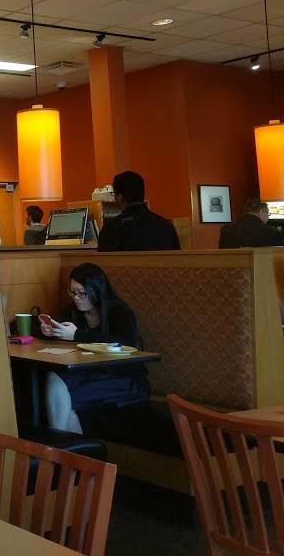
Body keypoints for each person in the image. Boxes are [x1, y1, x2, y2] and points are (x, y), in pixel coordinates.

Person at [40, 263, 150, 434]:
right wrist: (50, 332)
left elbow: (125, 344)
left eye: (82, 293)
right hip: (88, 372)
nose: (76, 298)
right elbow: (63, 329)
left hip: (122, 377)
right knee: (54, 379)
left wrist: (77, 335)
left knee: (63, 400)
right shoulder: (74, 312)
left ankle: (57, 446)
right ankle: (60, 447)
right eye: (72, 292)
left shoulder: (120, 312)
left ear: (97, 290)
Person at [97, 171, 180, 251]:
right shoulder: (166, 225)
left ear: (120, 197)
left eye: (114, 194)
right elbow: (177, 258)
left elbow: (104, 259)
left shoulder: (112, 228)